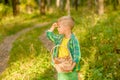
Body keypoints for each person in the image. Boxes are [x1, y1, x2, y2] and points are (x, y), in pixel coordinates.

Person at [46, 16, 81, 80]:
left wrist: (72, 66)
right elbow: (50, 36)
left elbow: (77, 54)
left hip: (69, 63)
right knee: (62, 77)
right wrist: (52, 27)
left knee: (71, 77)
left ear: (66, 28)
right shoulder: (60, 38)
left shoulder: (73, 40)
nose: (57, 28)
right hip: (60, 62)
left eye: (59, 27)